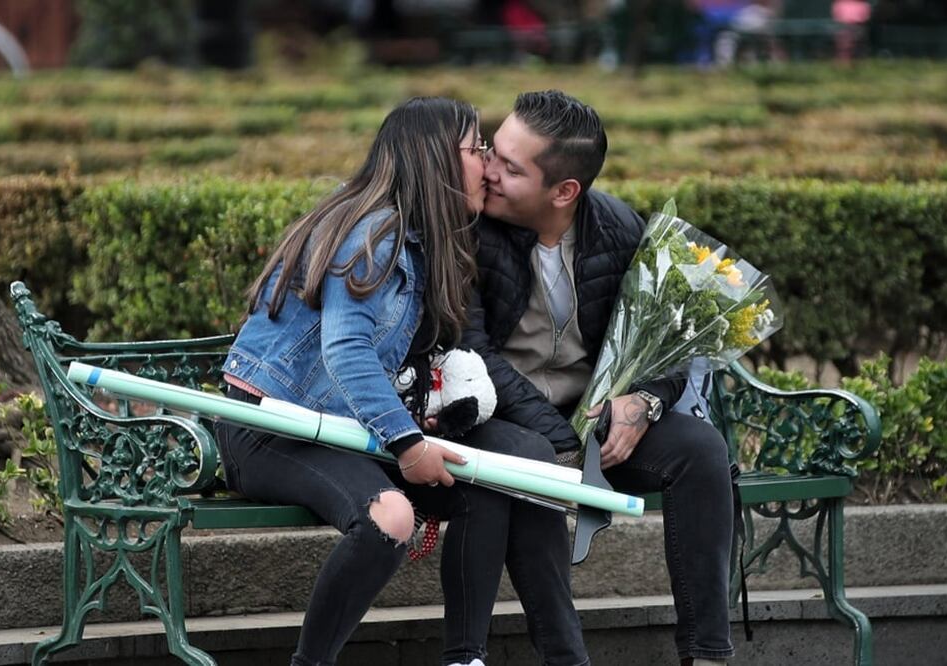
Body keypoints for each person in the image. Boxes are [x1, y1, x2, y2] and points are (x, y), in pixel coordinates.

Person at [216, 96, 511, 666]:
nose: (488, 165)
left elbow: (370, 363)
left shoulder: (413, 238)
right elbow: (347, 351)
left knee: (479, 488)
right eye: (477, 150)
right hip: (267, 426)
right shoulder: (377, 233)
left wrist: (410, 416)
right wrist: (405, 443)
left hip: (329, 427)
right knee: (390, 516)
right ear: (438, 162)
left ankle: (465, 658)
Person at [464, 90, 737, 665]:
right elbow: (472, 351)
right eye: (493, 151)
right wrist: (561, 443)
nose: (487, 170)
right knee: (530, 465)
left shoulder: (617, 227)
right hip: (503, 419)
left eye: (511, 168)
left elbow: (668, 333)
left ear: (564, 191)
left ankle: (707, 654)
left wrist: (645, 401)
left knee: (701, 451)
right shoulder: (467, 230)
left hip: (594, 419)